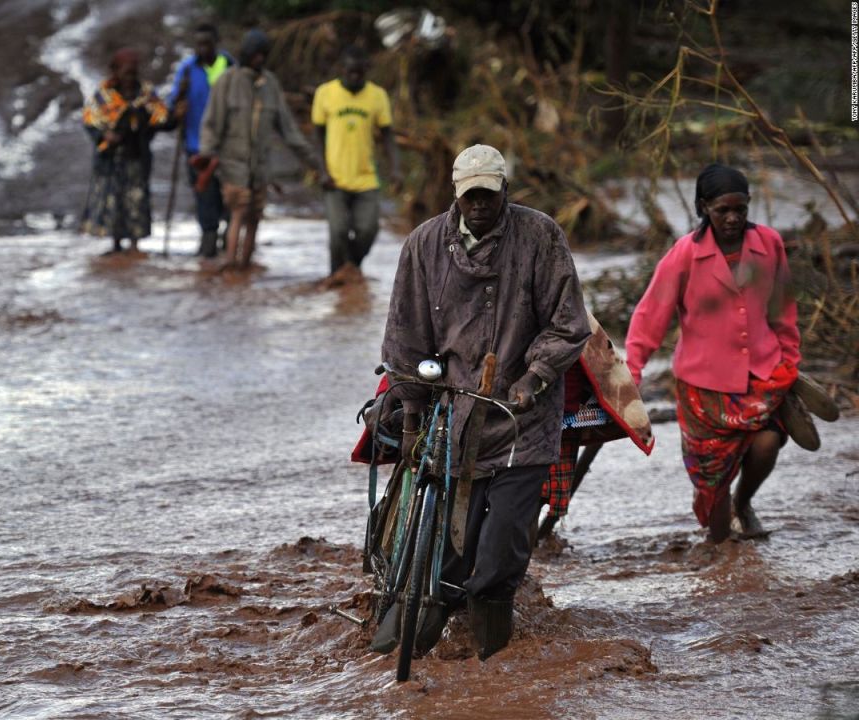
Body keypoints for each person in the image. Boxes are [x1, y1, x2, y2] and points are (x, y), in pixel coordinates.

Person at [378, 144, 591, 660]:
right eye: (470, 195)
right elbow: (405, 337)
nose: (479, 204)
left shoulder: (540, 237)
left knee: (500, 554)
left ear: (506, 192)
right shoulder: (424, 245)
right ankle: (406, 643)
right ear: (456, 194)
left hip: (522, 419)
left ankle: (493, 661)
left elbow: (569, 325)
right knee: (448, 552)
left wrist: (533, 378)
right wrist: (411, 412)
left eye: (488, 195)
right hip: (454, 414)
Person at [626, 163, 802, 543]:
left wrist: (791, 358)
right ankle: (720, 558)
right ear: (704, 207)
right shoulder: (685, 254)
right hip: (703, 387)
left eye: (741, 209)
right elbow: (649, 315)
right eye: (723, 210)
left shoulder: (768, 243)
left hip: (762, 375)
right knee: (715, 502)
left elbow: (782, 307)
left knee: (769, 442)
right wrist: (632, 374)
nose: (734, 218)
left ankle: (745, 502)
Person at [197, 29, 333, 270]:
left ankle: (245, 265)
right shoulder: (227, 81)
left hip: (260, 166)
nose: (259, 59)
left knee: (255, 216)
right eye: (255, 54)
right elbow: (211, 122)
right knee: (238, 210)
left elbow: (289, 131)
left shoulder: (270, 84)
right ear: (246, 54)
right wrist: (206, 153)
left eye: (263, 55)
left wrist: (315, 164)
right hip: (233, 163)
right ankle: (231, 263)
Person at [312, 46, 400, 281]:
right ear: (342, 70)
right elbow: (318, 135)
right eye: (350, 72)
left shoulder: (377, 95)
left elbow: (388, 135)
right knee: (338, 231)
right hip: (335, 178)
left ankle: (350, 267)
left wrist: (396, 170)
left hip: (366, 178)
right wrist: (321, 170)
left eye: (359, 73)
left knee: (368, 230)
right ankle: (337, 278)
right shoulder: (325, 93)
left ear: (365, 72)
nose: (355, 77)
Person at [81, 48, 175, 254]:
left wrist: (176, 114)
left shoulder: (146, 95)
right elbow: (90, 121)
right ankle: (116, 244)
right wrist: (104, 136)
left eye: (133, 72)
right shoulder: (103, 96)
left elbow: (162, 119)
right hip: (111, 160)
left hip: (137, 157)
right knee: (114, 201)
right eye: (126, 73)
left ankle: (135, 245)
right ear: (116, 72)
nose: (130, 78)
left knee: (136, 200)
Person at [168, 24, 235, 258]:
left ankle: (230, 237)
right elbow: (172, 107)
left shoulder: (229, 66)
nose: (202, 48)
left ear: (216, 42)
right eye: (198, 44)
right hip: (196, 145)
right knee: (204, 194)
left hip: (228, 146)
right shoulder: (186, 70)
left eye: (207, 43)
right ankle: (208, 238)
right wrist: (178, 102)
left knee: (229, 195)